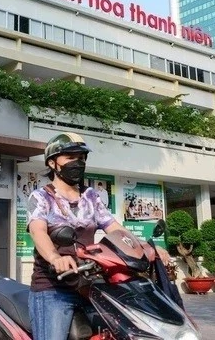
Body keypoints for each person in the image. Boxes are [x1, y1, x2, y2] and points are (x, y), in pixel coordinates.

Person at [26, 132, 170, 340]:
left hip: (88, 285)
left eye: (81, 158)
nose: (77, 163)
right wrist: (55, 258)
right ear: (52, 163)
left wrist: (144, 246)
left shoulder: (90, 196)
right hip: (53, 289)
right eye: (70, 157)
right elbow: (37, 231)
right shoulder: (41, 196)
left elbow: (113, 227)